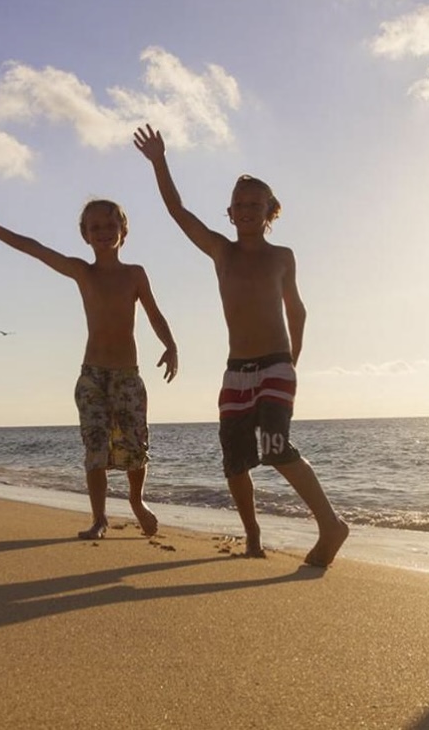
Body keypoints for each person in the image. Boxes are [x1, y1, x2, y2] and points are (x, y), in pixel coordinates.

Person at [133, 124, 350, 567]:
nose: (247, 209)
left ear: (271, 211)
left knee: (276, 447)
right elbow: (177, 210)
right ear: (230, 213)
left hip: (275, 365)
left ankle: (330, 524)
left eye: (256, 204)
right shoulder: (222, 251)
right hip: (236, 372)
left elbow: (297, 311)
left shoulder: (282, 257)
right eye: (240, 204)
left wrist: (292, 362)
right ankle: (252, 533)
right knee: (234, 460)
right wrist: (159, 162)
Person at [0, 199, 178, 540]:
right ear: (85, 235)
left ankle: (137, 500)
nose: (103, 232)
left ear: (123, 231)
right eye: (95, 228)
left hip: (127, 375)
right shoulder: (83, 272)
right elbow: (37, 249)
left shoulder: (134, 274)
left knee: (135, 446)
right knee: (95, 448)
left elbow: (154, 314)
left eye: (110, 226)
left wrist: (170, 345)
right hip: (92, 376)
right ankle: (99, 518)